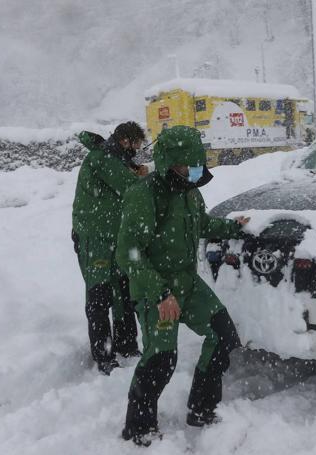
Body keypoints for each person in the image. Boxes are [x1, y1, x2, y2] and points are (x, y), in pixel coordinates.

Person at [116, 126, 249, 446]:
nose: (193, 173)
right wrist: (160, 293)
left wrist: (232, 226)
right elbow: (128, 253)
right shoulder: (144, 195)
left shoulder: (190, 190)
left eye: (196, 167)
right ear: (167, 165)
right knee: (161, 358)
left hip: (188, 283)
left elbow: (201, 224)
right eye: (185, 167)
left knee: (223, 336)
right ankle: (139, 426)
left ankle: (201, 410)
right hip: (156, 289)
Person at [72, 121, 149, 375]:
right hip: (95, 241)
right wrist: (143, 175)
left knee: (124, 292)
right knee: (99, 297)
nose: (136, 151)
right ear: (125, 141)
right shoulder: (101, 158)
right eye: (135, 146)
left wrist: (131, 168)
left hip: (114, 239)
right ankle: (103, 355)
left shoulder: (113, 159)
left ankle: (126, 345)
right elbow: (130, 187)